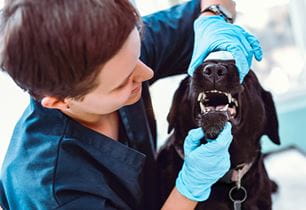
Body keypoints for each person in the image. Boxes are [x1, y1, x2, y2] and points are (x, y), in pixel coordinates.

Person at [0, 0, 262, 209]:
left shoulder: (114, 48)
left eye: (137, 54)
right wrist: (191, 186)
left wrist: (213, 19)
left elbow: (216, 2)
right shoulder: (51, 192)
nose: (147, 73)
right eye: (123, 81)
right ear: (58, 102)